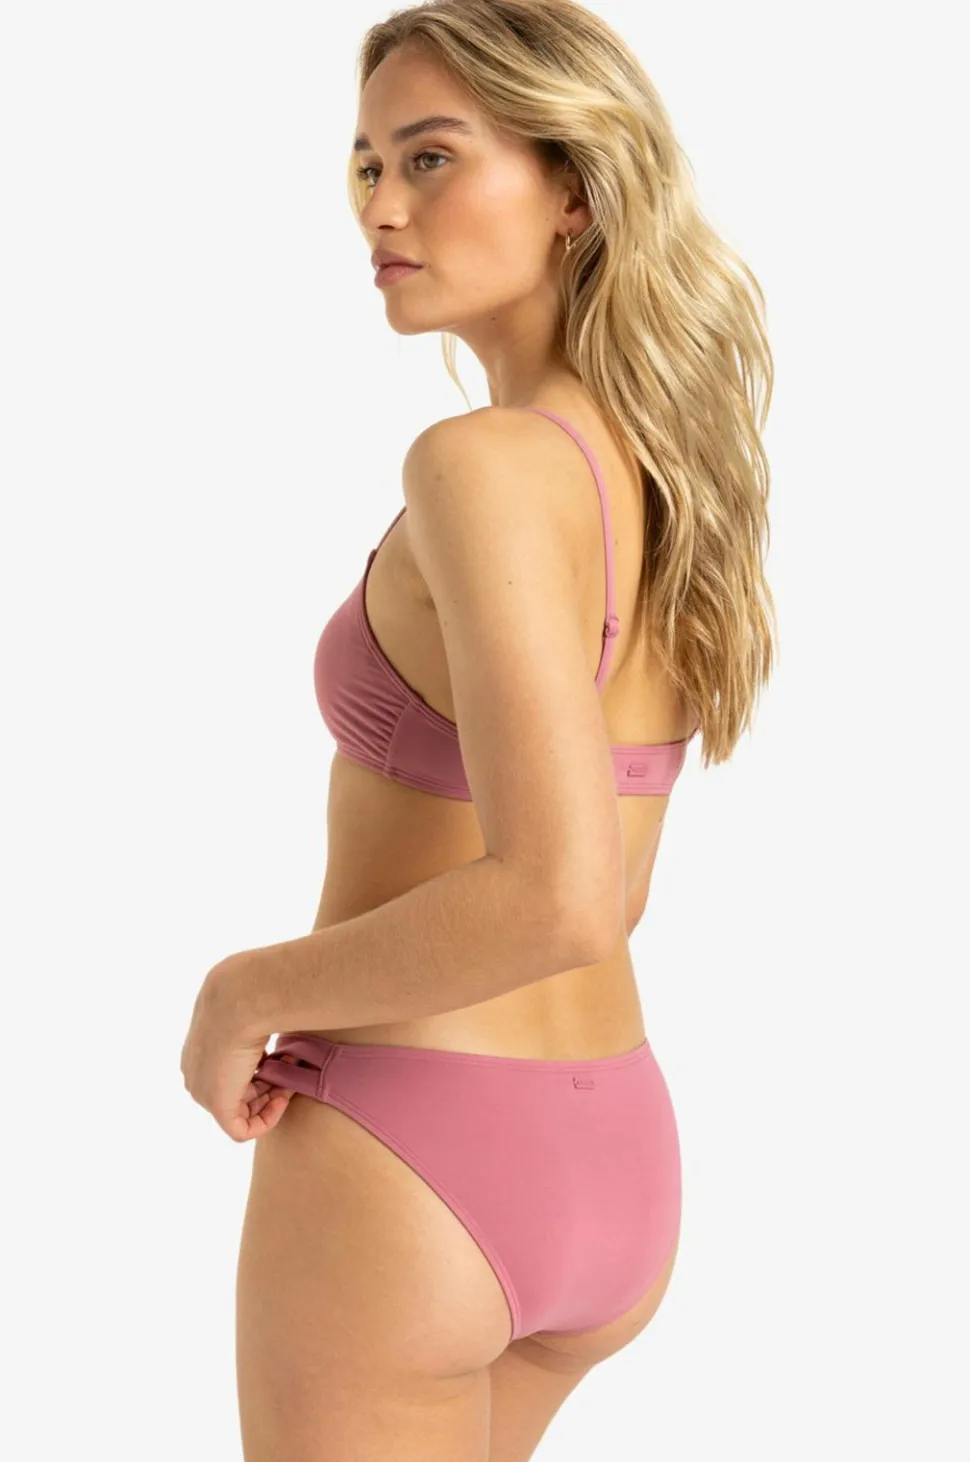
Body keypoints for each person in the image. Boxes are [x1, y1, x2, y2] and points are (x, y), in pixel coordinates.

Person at [180, 1, 776, 1456]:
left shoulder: (483, 464)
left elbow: (560, 894)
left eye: (431, 159)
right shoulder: (667, 472)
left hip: (414, 1148)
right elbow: (616, 884)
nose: (382, 206)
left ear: (574, 185)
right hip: (612, 1141)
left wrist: (245, 989)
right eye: (368, 164)